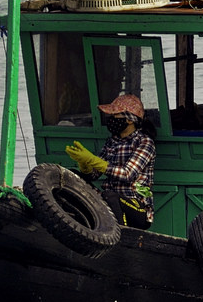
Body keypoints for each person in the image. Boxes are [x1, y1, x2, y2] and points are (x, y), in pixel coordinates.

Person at [65, 93, 156, 228]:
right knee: (72, 177)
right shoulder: (112, 141)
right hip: (109, 201)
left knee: (110, 196)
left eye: (115, 116)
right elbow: (94, 175)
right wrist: (84, 163)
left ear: (130, 119)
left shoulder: (144, 142)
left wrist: (92, 159)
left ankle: (122, 238)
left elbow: (127, 174)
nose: (111, 119)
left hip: (137, 207)